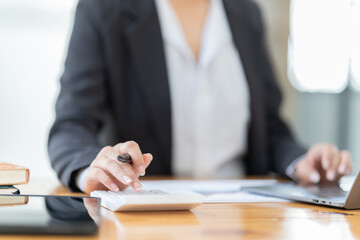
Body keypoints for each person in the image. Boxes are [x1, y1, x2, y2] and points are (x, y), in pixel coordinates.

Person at [48, 0, 353, 194]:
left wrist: (300, 161)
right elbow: (71, 126)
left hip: (247, 216)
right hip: (150, 217)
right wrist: (93, 169)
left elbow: (270, 129)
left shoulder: (246, 14)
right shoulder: (103, 10)